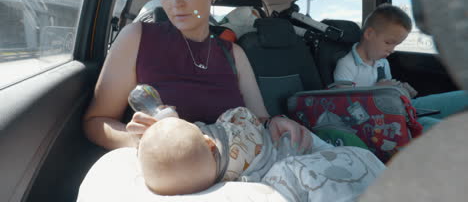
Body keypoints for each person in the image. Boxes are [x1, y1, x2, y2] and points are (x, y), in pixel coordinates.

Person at [82, 0, 310, 153]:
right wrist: (139, 141)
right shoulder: (136, 37)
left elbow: (260, 120)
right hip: (169, 168)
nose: (176, 2)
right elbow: (96, 122)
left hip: (237, 166)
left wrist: (275, 123)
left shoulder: (234, 54)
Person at [137, 106, 385, 200]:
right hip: (292, 144)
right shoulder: (217, 132)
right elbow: (241, 114)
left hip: (287, 146)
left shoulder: (228, 177)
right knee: (330, 154)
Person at [333, 4, 468, 131]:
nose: (392, 50)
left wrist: (402, 91)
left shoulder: (382, 63)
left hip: (400, 108)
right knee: (432, 125)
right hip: (375, 120)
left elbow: (389, 94)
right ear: (369, 34)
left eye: (396, 45)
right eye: (388, 43)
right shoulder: (346, 65)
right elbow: (344, 105)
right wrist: (375, 90)